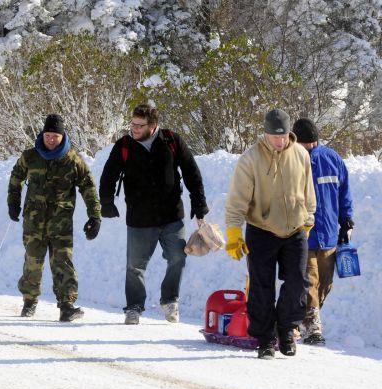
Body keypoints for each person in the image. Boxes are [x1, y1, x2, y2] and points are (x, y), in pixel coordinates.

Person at [99, 104, 208, 325]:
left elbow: (191, 172)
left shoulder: (171, 141)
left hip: (171, 216)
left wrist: (199, 203)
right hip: (140, 219)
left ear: (153, 125)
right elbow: (108, 174)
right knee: (135, 266)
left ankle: (169, 300)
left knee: (178, 257)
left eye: (140, 125)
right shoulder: (125, 145)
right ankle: (134, 307)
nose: (134, 129)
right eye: (132, 124)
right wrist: (107, 201)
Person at [225, 109, 316, 359]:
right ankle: (265, 338)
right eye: (275, 136)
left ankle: (286, 330)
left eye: (284, 136)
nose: (280, 141)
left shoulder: (300, 155)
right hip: (261, 230)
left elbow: (309, 191)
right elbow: (236, 201)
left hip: (295, 229)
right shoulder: (251, 159)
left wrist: (308, 220)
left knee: (298, 281)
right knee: (262, 286)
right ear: (265, 134)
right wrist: (234, 233)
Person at [8, 114, 101, 322]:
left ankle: (66, 305)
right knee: (33, 262)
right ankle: (29, 302)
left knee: (63, 262)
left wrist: (95, 215)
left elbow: (88, 186)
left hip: (61, 223)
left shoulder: (72, 159)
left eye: (55, 136)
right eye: (48, 135)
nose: (51, 140)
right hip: (34, 222)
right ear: (43, 134)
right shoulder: (30, 156)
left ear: (62, 136)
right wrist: (12, 202)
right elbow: (16, 178)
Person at [291, 118, 354, 346]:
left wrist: (346, 220)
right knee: (308, 281)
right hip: (303, 234)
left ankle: (304, 318)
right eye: (305, 144)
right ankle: (312, 328)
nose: (309, 147)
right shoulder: (291, 161)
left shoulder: (332, 158)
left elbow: (344, 191)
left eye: (312, 143)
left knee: (325, 284)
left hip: (328, 234)